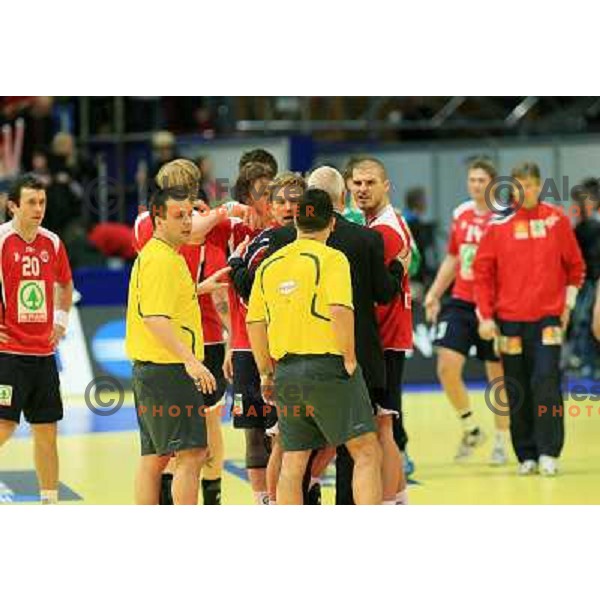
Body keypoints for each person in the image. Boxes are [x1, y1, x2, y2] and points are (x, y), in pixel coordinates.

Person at [264, 166, 403, 504]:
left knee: (292, 457)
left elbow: (256, 315)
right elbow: (374, 298)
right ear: (342, 199)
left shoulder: (278, 242)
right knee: (361, 449)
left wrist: (264, 371)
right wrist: (397, 268)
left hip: (287, 366)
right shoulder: (366, 240)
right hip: (342, 362)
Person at [474, 162, 585, 476]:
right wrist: (485, 315)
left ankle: (550, 451)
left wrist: (568, 305)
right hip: (509, 323)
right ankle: (526, 454)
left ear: (540, 186)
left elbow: (576, 268)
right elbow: (483, 275)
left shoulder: (556, 220)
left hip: (548, 320)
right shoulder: (498, 225)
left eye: (532, 185)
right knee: (516, 386)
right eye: (520, 185)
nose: (527, 191)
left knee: (546, 383)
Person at [126, 185, 217, 505]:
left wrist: (201, 287)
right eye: (178, 216)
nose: (187, 222)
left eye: (189, 215)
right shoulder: (162, 260)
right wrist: (190, 360)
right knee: (191, 454)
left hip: (153, 371)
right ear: (158, 219)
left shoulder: (161, 256)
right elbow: (155, 318)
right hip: (168, 371)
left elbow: (166, 306)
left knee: (155, 458)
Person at [424, 158, 510, 464]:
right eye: (472, 180)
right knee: (446, 367)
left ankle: (501, 439)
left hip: (493, 306)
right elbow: (453, 258)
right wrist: (434, 293)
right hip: (460, 300)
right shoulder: (460, 213)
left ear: (492, 183)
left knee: (496, 375)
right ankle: (471, 427)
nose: (476, 185)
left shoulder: (504, 217)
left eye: (481, 180)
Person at [0, 173, 73, 504]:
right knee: (3, 427)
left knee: (46, 432)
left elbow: (65, 284)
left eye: (41, 202)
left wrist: (60, 319)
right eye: (31, 202)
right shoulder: (1, 240)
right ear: (12, 205)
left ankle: (49, 501)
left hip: (43, 354)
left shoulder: (52, 242)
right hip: (7, 352)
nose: (38, 208)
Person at [350, 157, 414, 505]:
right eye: (357, 183)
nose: (363, 189)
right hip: (390, 339)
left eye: (370, 182)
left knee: (381, 427)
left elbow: (380, 295)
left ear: (386, 185)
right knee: (383, 426)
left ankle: (389, 501)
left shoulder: (382, 232)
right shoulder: (385, 223)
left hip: (385, 342)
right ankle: (399, 499)